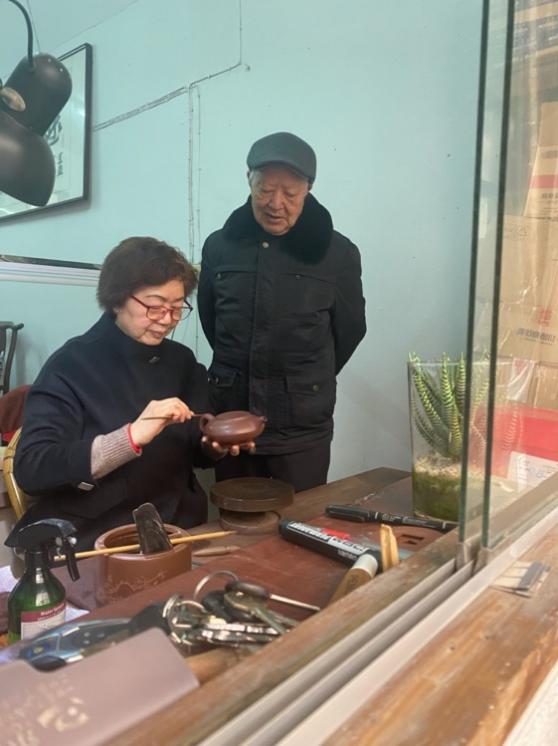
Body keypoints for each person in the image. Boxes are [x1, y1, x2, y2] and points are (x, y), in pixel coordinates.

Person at [10, 237, 252, 550]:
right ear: (116, 299)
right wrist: (130, 437)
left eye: (177, 308)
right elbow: (32, 468)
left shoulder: (181, 361)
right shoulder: (71, 365)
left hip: (178, 525)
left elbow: (195, 448)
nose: (167, 320)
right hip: (99, 534)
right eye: (155, 306)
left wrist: (214, 445)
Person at [198, 132, 366, 492]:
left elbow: (351, 330)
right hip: (234, 420)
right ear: (249, 179)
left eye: (290, 193)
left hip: (301, 425)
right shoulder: (218, 247)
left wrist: (305, 377)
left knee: (300, 518)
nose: (276, 203)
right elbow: (212, 322)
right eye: (265, 190)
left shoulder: (337, 253)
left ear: (308, 188)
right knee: (236, 517)